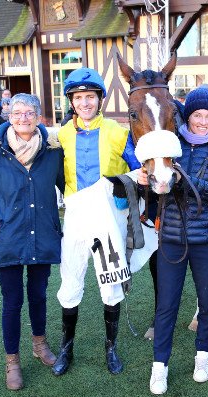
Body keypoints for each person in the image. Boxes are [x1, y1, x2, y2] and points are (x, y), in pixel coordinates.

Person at [0, 93, 65, 391]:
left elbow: (70, 188)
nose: (23, 118)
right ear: (9, 116)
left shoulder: (53, 151)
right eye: (17, 112)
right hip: (7, 238)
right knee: (12, 301)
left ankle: (40, 344)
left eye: (29, 113)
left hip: (43, 235)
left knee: (38, 295)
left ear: (39, 117)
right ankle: (12, 361)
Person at [141, 88, 208, 395]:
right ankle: (159, 366)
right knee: (166, 305)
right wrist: (145, 178)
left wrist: (183, 180)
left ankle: (202, 356)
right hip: (172, 238)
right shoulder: (170, 145)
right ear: (187, 117)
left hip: (206, 239)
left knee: (207, 302)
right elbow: (155, 184)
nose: (203, 122)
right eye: (197, 115)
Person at [52, 67, 141, 377]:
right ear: (71, 102)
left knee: (111, 284)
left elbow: (139, 168)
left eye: (90, 97)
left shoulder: (118, 131)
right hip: (76, 217)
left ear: (100, 99)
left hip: (107, 219)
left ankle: (111, 348)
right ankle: (66, 348)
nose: (85, 103)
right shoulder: (62, 134)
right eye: (78, 98)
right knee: (70, 281)